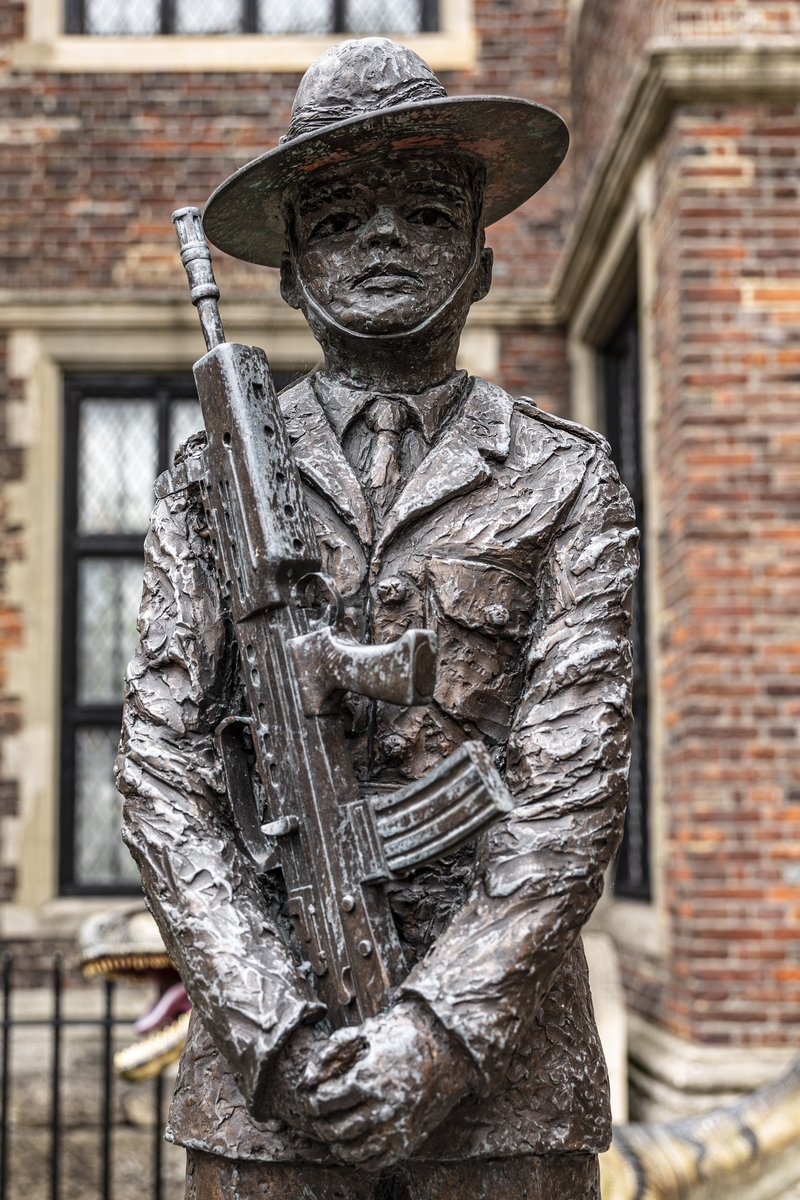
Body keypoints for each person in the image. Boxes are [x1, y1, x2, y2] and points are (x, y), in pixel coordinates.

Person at [117, 37, 637, 1200]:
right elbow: (161, 771)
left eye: (425, 208)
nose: (384, 237)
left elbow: (573, 790)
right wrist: (278, 1031)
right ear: (293, 275)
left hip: (508, 1092)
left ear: (484, 260)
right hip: (267, 1099)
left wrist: (437, 1035)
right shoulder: (212, 480)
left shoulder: (564, 481)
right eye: (341, 216)